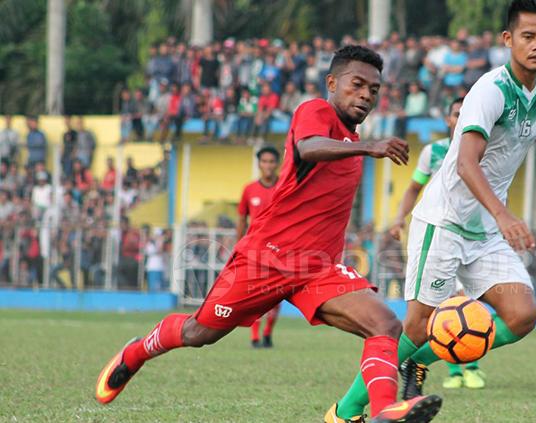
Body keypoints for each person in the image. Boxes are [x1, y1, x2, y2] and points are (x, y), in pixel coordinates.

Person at [96, 45, 442, 423]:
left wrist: (361, 147)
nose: (365, 95)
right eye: (356, 84)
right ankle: (135, 353)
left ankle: (382, 413)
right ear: (331, 83)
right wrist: (368, 147)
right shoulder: (315, 111)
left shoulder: (351, 141)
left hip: (318, 269)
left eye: (373, 90)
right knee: (199, 333)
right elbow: (307, 148)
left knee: (385, 325)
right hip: (267, 258)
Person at [334, 0, 536, 418]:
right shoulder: (491, 91)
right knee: (415, 327)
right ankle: (344, 413)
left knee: (522, 314)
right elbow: (466, 163)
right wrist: (504, 215)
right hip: (445, 222)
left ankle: (420, 360)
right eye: (528, 36)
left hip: (484, 230)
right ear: (508, 40)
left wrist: (497, 216)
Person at [390, 97, 487, 390]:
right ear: (448, 120)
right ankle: (458, 371)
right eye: (457, 114)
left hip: (471, 237)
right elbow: (413, 188)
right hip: (437, 233)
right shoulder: (433, 153)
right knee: (440, 308)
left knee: (465, 303)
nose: (460, 119)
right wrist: (398, 219)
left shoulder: (486, 149)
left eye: (466, 114)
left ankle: (466, 368)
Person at [236, 146, 281, 348]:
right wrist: (239, 246)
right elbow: (241, 219)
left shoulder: (285, 186)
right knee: (255, 292)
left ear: (277, 164)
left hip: (281, 248)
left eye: (271, 162)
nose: (268, 166)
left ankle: (268, 332)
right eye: (264, 161)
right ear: (259, 164)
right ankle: (255, 337)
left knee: (277, 293)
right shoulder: (249, 189)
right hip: (255, 249)